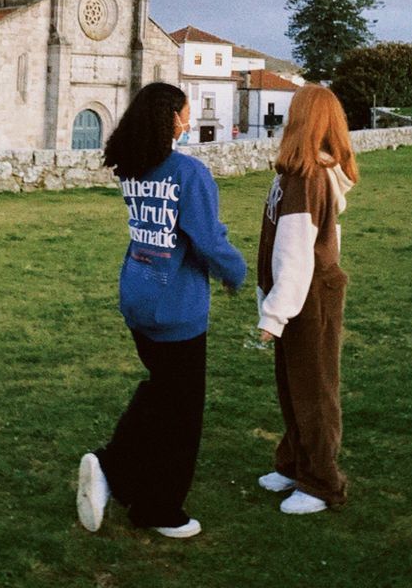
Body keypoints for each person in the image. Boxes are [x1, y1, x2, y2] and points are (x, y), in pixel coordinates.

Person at [77, 82, 247, 539]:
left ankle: (121, 473)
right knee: (183, 415)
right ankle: (156, 505)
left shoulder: (133, 166)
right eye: (186, 113)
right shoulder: (189, 174)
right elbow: (207, 240)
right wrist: (237, 272)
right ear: (171, 117)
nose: (190, 121)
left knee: (162, 390)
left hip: (139, 294)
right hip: (176, 305)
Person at [256, 84, 357, 515]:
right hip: (300, 295)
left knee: (314, 389)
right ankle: (296, 462)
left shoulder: (307, 178)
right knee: (293, 384)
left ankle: (321, 483)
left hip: (309, 297)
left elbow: (297, 252)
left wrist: (274, 314)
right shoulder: (294, 175)